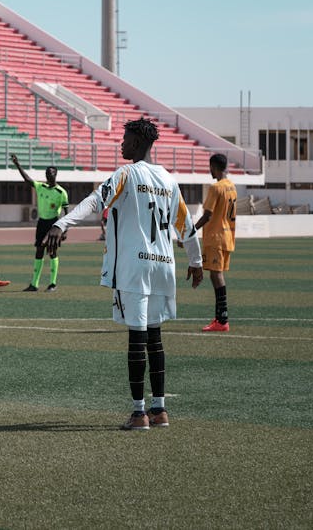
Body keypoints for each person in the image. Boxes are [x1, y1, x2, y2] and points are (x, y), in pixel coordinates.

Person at [45, 119, 204, 430]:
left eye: (125, 138)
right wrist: (196, 261)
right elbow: (185, 225)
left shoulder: (126, 174)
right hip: (163, 265)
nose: (121, 143)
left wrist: (61, 223)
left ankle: (138, 413)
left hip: (135, 267)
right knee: (155, 338)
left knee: (136, 337)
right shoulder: (168, 180)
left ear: (137, 143)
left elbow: (95, 200)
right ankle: (159, 409)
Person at [11, 154, 69, 291]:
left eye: (51, 173)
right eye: (47, 173)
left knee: (52, 251)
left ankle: (52, 284)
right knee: (39, 251)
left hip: (54, 224)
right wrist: (17, 164)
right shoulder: (40, 187)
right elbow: (27, 179)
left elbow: (67, 213)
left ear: (56, 174)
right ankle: (34, 284)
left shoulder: (61, 192)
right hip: (42, 223)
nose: (49, 175)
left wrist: (65, 230)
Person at [196, 153, 237, 332]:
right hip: (227, 236)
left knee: (216, 275)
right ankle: (220, 317)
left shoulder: (216, 188)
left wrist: (191, 230)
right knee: (215, 275)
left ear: (213, 166)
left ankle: (222, 320)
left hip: (216, 237)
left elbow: (208, 215)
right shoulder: (231, 186)